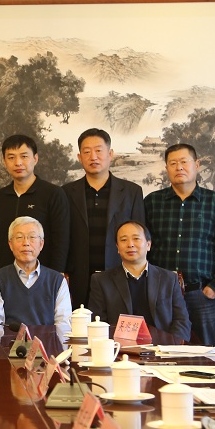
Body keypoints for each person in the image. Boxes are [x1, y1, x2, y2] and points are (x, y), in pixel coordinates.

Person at [144, 143, 215, 346]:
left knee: (205, 354)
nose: (179, 167)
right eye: (173, 163)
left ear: (197, 164)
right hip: (161, 294)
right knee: (161, 351)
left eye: (184, 162)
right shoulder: (152, 202)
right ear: (166, 168)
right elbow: (143, 250)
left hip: (201, 294)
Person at [63, 128, 145, 308]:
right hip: (79, 279)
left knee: (118, 324)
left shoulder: (131, 192)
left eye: (99, 150)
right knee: (80, 325)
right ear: (79, 157)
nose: (93, 157)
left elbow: (140, 237)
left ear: (110, 154)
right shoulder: (66, 193)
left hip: (120, 275)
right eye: (87, 152)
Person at [0, 134, 69, 275]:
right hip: (3, 279)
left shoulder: (53, 194)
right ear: (4, 161)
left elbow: (61, 242)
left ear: (35, 158)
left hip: (41, 278)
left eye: (24, 156)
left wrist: (54, 278)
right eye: (11, 157)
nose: (18, 163)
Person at [88, 221, 191, 341]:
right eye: (123, 240)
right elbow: (98, 323)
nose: (130, 244)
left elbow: (181, 321)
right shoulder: (101, 281)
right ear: (117, 247)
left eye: (136, 238)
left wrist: (170, 346)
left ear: (148, 245)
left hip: (162, 348)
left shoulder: (169, 279)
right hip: (119, 348)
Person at [0, 217, 71, 339]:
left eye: (32, 237)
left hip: (47, 349)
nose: (26, 243)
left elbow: (63, 326)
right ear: (10, 244)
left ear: (41, 244)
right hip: (8, 348)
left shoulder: (57, 281)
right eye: (19, 237)